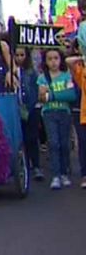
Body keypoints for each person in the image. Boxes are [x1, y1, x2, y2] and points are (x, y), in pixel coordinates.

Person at [37, 48, 76, 189]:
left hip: (64, 112)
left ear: (60, 60)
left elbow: (71, 95)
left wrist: (51, 95)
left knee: (64, 144)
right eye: (50, 59)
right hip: (49, 113)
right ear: (45, 62)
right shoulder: (42, 78)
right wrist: (52, 95)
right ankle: (55, 175)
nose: (53, 62)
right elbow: (41, 98)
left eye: (56, 58)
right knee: (53, 143)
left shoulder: (66, 76)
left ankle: (64, 173)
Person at [16, 47, 43, 181]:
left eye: (22, 55)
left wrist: (29, 108)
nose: (19, 58)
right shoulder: (12, 72)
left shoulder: (32, 72)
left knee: (32, 138)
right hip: (16, 109)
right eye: (17, 55)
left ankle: (36, 165)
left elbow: (34, 92)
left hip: (30, 109)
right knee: (21, 139)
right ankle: (25, 165)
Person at [65, 48, 86, 189]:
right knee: (84, 145)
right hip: (84, 116)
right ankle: (85, 175)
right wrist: (83, 58)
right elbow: (68, 61)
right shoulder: (83, 73)